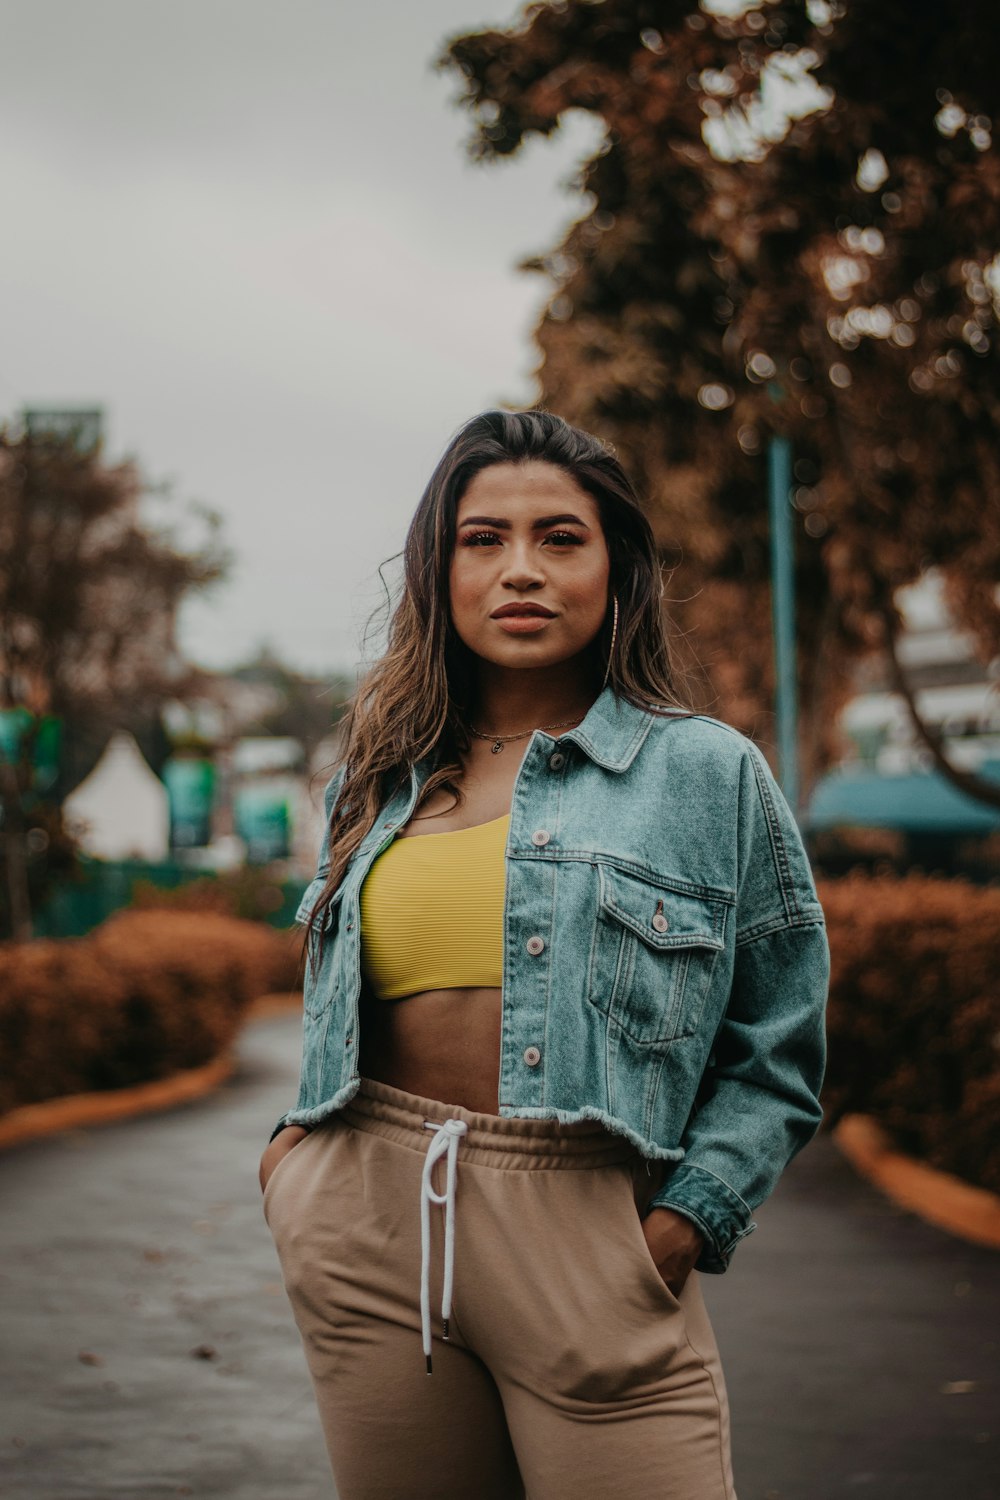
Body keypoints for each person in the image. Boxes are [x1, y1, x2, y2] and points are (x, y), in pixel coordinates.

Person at [258, 408, 830, 1500]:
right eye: (484, 539)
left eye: (560, 538)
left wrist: (683, 1219)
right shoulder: (375, 776)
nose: (521, 568)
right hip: (367, 1226)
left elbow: (779, 1043)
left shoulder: (703, 774)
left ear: (617, 570)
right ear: (441, 569)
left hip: (590, 1233)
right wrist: (296, 1161)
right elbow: (342, 995)